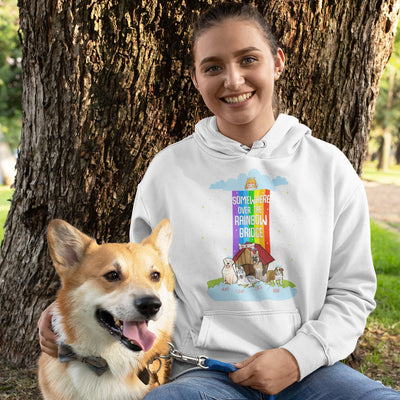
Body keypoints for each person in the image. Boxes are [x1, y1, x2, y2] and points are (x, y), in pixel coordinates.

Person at [38, 2, 400, 399]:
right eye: (212, 67)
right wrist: (65, 316)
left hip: (312, 372)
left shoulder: (329, 167)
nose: (233, 79)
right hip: (204, 376)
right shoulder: (168, 171)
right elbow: (140, 284)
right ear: (195, 78)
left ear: (277, 62)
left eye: (248, 59)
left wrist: (297, 358)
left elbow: (352, 290)